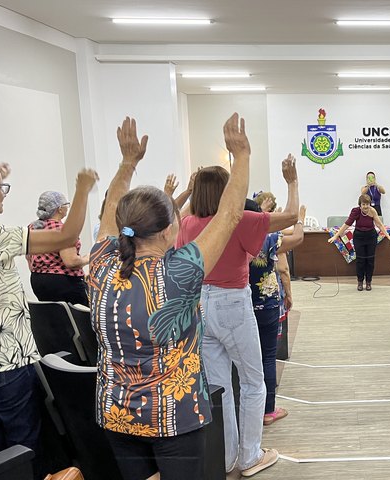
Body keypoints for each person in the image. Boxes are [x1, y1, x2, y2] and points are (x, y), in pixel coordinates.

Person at [88, 114, 251, 480]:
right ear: (169, 230)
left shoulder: (101, 262)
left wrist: (128, 163)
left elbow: (110, 211)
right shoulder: (180, 272)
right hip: (174, 415)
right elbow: (229, 215)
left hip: (117, 413)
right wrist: (241, 156)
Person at [176, 154, 300, 477]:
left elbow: (177, 222)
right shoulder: (237, 220)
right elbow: (288, 218)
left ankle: (228, 455)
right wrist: (292, 182)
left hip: (199, 305)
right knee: (253, 381)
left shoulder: (188, 223)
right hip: (233, 302)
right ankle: (250, 456)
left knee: (220, 386)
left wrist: (188, 192)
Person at [0, 161, 97, 460]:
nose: (4, 194)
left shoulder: (14, 230)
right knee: (24, 444)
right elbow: (66, 239)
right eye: (0, 188)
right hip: (5, 360)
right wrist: (83, 191)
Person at [251, 195, 305, 426]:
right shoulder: (270, 237)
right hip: (268, 303)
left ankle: (248, 410)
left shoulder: (234, 236)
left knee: (248, 359)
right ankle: (268, 410)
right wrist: (299, 219)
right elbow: (285, 263)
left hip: (245, 302)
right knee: (268, 356)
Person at [28, 191, 89, 306]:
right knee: (79, 319)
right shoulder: (61, 230)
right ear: (60, 209)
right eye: (66, 204)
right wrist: (88, 258)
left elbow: (29, 258)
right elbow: (71, 262)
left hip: (38, 281)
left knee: (54, 318)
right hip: (63, 283)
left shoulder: (32, 227)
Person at [328, 193, 390, 291]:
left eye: (367, 204)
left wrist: (388, 236)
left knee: (370, 261)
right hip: (359, 237)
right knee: (360, 261)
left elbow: (379, 225)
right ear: (360, 205)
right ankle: (360, 282)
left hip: (371, 237)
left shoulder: (372, 211)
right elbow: (346, 224)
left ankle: (368, 282)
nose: (366, 206)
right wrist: (336, 236)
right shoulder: (356, 211)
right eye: (363, 204)